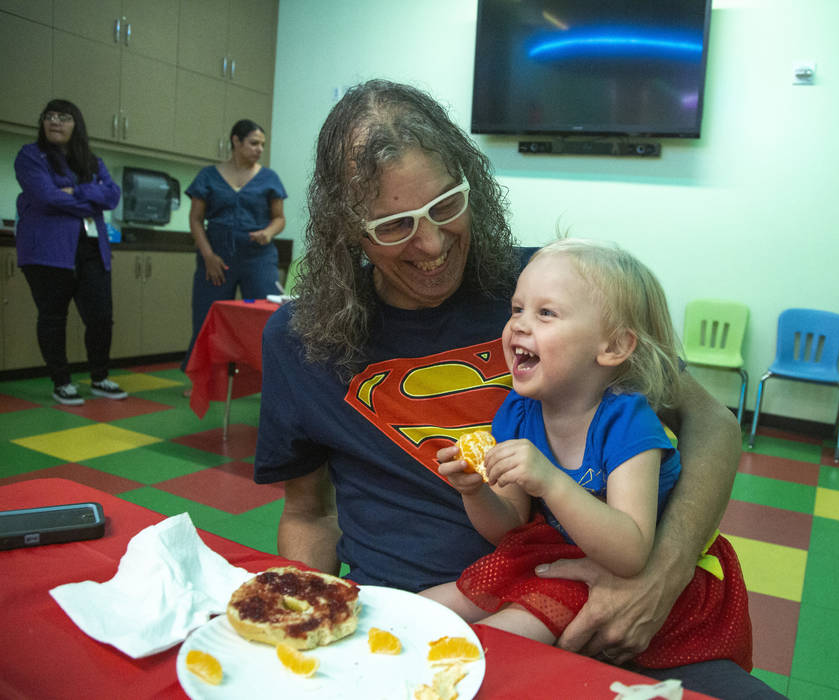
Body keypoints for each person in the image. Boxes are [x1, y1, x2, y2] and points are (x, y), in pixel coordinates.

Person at [255, 79, 782, 698]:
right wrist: (300, 636)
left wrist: (659, 576)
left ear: (470, 184)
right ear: (348, 230)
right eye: (393, 226)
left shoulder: (552, 287)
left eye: (446, 206)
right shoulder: (303, 337)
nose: (430, 244)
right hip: (419, 632)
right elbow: (310, 514)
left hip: (631, 620)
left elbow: (712, 422)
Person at [421, 238, 752, 673]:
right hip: (553, 556)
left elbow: (630, 552)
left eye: (546, 313)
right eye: (517, 309)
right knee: (427, 609)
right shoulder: (518, 413)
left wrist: (550, 481)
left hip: (621, 572)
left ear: (613, 347)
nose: (519, 325)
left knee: (489, 648)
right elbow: (507, 529)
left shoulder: (628, 423)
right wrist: (475, 492)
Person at [14, 99, 127, 406]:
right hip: (46, 251)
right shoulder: (30, 156)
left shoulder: (91, 160)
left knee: (101, 316)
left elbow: (113, 195)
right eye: (49, 116)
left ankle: (100, 377)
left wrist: (76, 191)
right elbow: (46, 196)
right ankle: (61, 381)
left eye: (64, 117)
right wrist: (92, 198)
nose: (55, 122)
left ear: (76, 124)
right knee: (53, 317)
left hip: (91, 248)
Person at [181, 119, 286, 372]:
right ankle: (203, 381)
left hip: (258, 257)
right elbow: (195, 219)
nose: (259, 149)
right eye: (253, 143)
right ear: (235, 142)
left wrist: (268, 233)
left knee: (268, 316)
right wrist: (207, 256)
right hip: (217, 257)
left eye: (262, 144)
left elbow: (279, 218)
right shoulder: (208, 176)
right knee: (208, 317)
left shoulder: (269, 178)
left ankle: (265, 378)